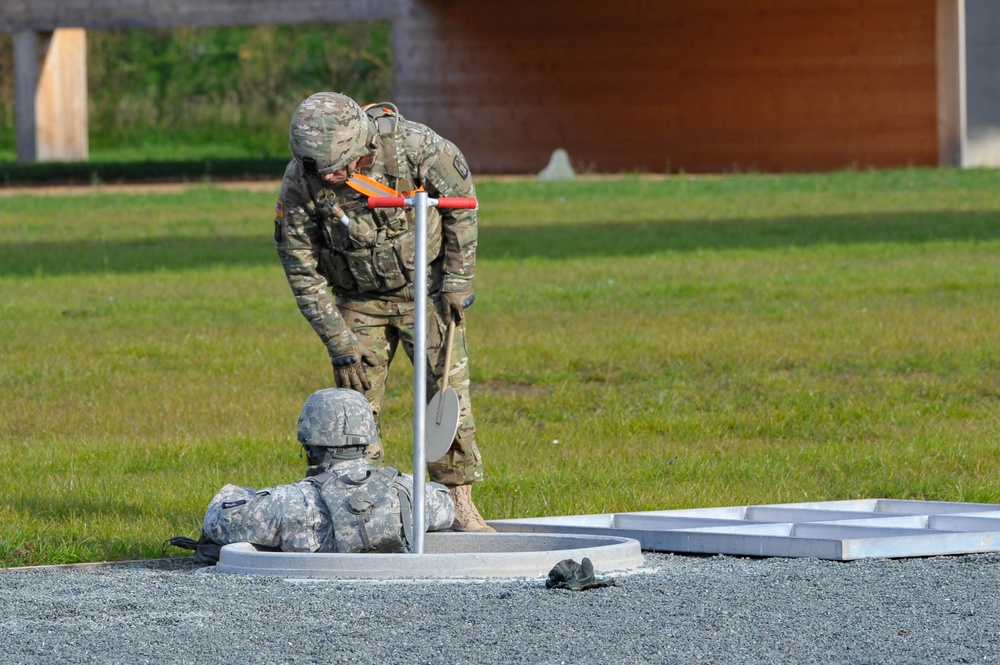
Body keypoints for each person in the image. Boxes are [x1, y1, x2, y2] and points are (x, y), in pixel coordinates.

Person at [273, 91, 493, 532]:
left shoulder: (416, 147)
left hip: (425, 294)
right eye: (321, 170)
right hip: (358, 302)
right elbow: (300, 265)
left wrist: (457, 279)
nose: (330, 178)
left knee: (446, 394)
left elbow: (463, 204)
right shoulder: (302, 181)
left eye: (338, 166)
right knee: (355, 407)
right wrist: (339, 341)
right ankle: (366, 512)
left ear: (359, 145)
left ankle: (459, 506)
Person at [195, 388, 455, 558]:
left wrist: (235, 493)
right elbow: (447, 510)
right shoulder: (410, 492)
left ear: (309, 440)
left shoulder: (290, 503)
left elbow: (220, 522)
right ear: (367, 435)